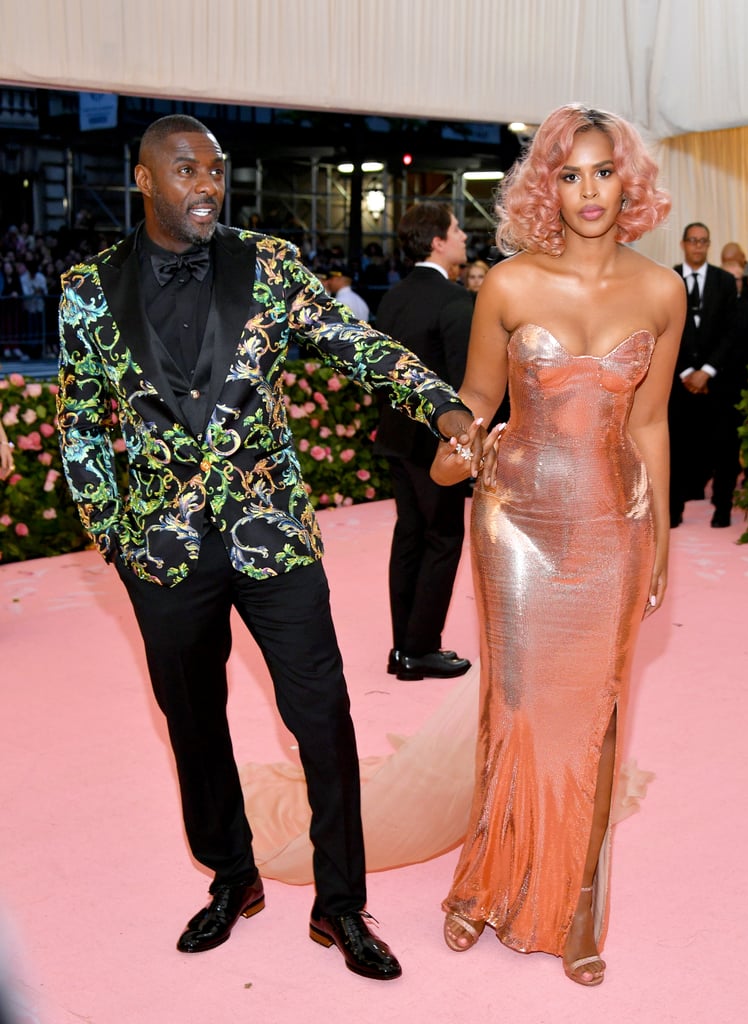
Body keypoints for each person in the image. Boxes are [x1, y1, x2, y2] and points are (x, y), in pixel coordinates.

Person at [56, 114, 484, 983]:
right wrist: (118, 537)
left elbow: (357, 347)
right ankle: (231, 876)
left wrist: (442, 404)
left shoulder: (271, 266)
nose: (207, 183)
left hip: (273, 536)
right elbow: (78, 424)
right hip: (165, 555)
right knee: (193, 723)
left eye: (216, 169)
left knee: (322, 716)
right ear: (144, 180)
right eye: (186, 170)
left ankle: (340, 904)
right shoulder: (88, 289)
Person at [430, 104, 685, 986]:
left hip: (611, 526)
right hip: (516, 522)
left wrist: (659, 542)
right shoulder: (508, 284)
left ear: (629, 181)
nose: (588, 191)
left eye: (603, 172)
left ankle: (579, 903)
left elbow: (649, 424)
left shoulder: (661, 290)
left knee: (601, 714)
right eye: (569, 174)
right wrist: (454, 443)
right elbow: (476, 397)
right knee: (518, 704)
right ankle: (483, 887)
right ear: (547, 185)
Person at [374, 202, 476, 681]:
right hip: (437, 448)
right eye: (456, 229)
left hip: (395, 438)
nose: (463, 236)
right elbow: (463, 387)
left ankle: (401, 648)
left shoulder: (393, 297)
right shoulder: (455, 301)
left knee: (409, 539)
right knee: (443, 540)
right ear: (437, 241)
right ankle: (421, 649)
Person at [669, 223, 740, 527]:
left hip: (717, 382)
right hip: (678, 381)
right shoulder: (667, 279)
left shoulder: (724, 281)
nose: (698, 246)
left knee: (724, 447)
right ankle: (673, 511)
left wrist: (707, 371)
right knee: (676, 448)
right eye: (693, 241)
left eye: (703, 242)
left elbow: (732, 331)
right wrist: (686, 371)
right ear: (683, 244)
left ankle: (722, 508)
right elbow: (665, 330)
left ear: (709, 245)